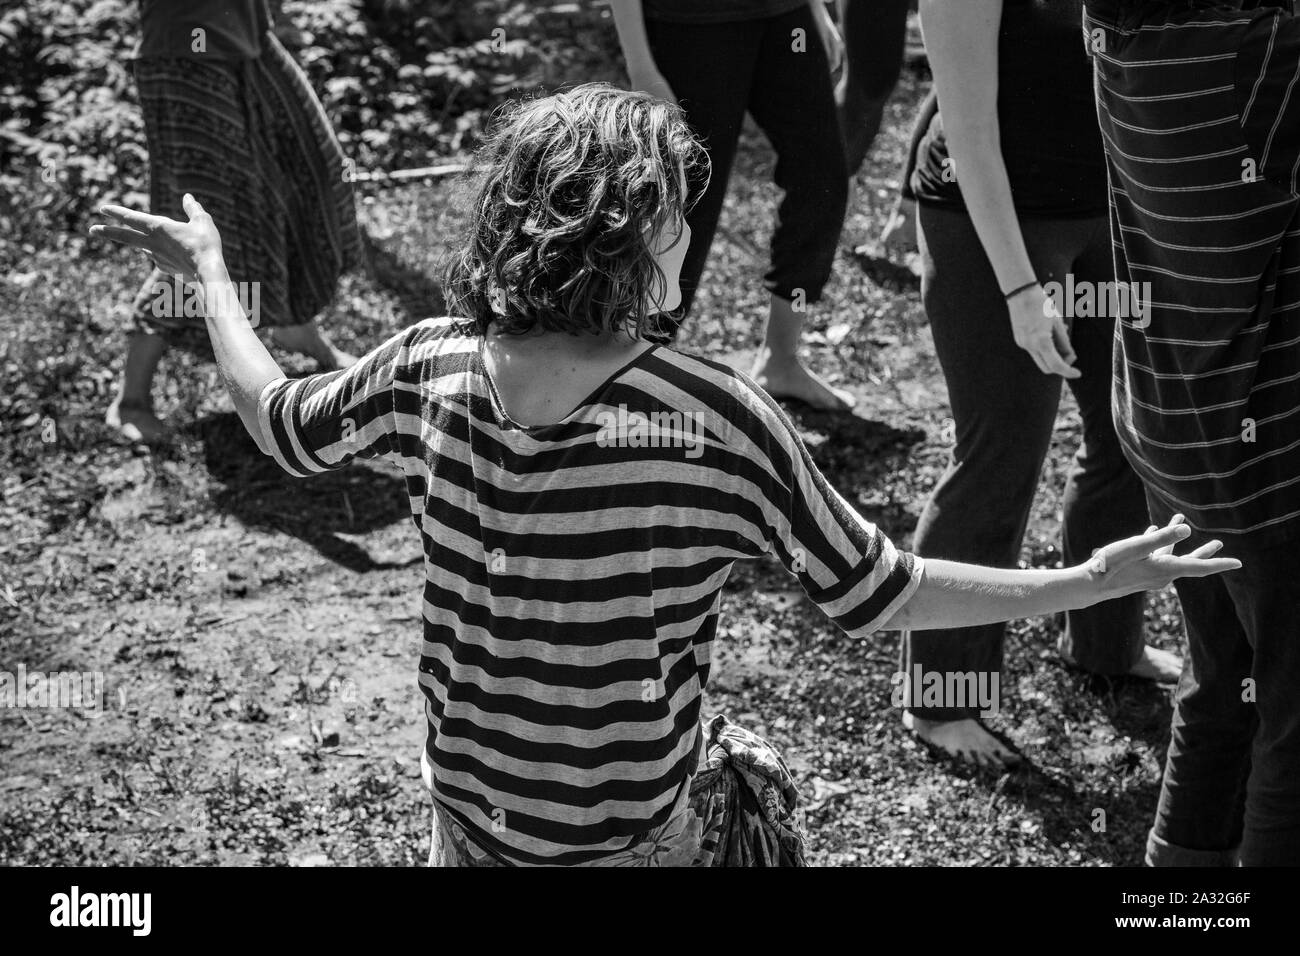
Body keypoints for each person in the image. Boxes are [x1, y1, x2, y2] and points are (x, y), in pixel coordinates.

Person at [92, 85, 1237, 866]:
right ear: (641, 239)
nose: (691, 243)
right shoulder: (713, 414)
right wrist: (1074, 581)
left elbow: (280, 419)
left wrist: (212, 273)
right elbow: (877, 591)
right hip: (626, 830)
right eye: (681, 222)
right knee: (750, 792)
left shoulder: (426, 363)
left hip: (471, 810)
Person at [897, 0, 1181, 769]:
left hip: (1112, 214)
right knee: (1001, 453)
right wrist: (1023, 293)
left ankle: (1105, 643)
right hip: (992, 221)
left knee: (1129, 437)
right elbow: (969, 130)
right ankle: (942, 698)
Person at [1084, 0, 1300, 867]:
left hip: (1170, 419)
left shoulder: (1116, 30)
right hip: (1269, 454)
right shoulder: (1266, 54)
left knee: (1221, 685)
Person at [107, 0, 360, 444]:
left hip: (249, 37)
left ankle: (294, 323)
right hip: (186, 52)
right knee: (209, 229)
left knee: (315, 178)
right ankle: (131, 401)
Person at [609, 0, 855, 410]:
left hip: (784, 17)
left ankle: (781, 358)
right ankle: (634, 371)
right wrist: (640, 66)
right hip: (688, 25)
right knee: (686, 197)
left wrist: (815, 10)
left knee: (822, 178)